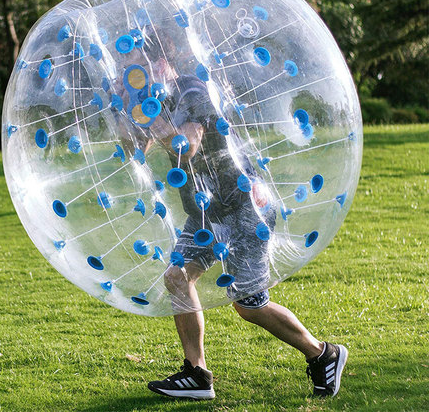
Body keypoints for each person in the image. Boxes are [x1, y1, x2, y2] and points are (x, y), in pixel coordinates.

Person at [115, 37, 348, 401]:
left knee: (248, 304)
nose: (138, 72)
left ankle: (324, 354)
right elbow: (136, 150)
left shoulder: (192, 89)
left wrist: (155, 119)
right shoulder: (152, 101)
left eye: (143, 63)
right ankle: (197, 373)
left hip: (243, 206)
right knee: (177, 277)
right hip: (205, 209)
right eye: (131, 68)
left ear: (162, 61)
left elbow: (187, 145)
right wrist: (127, 116)